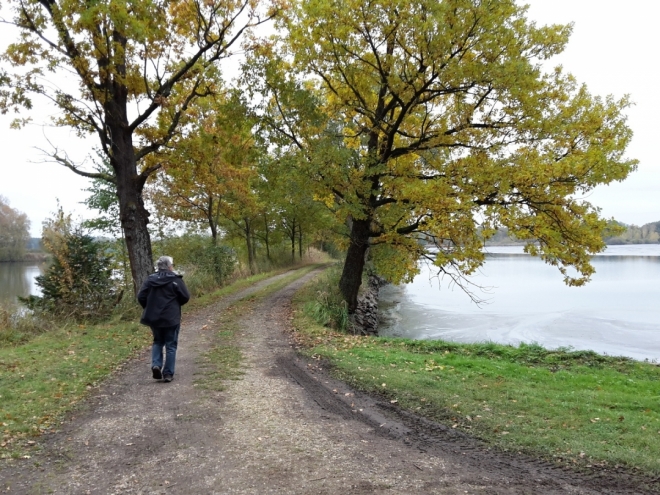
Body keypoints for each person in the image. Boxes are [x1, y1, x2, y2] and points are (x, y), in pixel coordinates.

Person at [137, 256, 190, 383]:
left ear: (158, 266)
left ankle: (156, 365)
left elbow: (141, 296)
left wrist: (149, 306)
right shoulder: (176, 280)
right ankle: (168, 374)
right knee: (171, 345)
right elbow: (185, 297)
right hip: (171, 317)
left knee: (158, 341)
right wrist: (175, 305)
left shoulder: (150, 280)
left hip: (154, 317)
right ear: (170, 266)